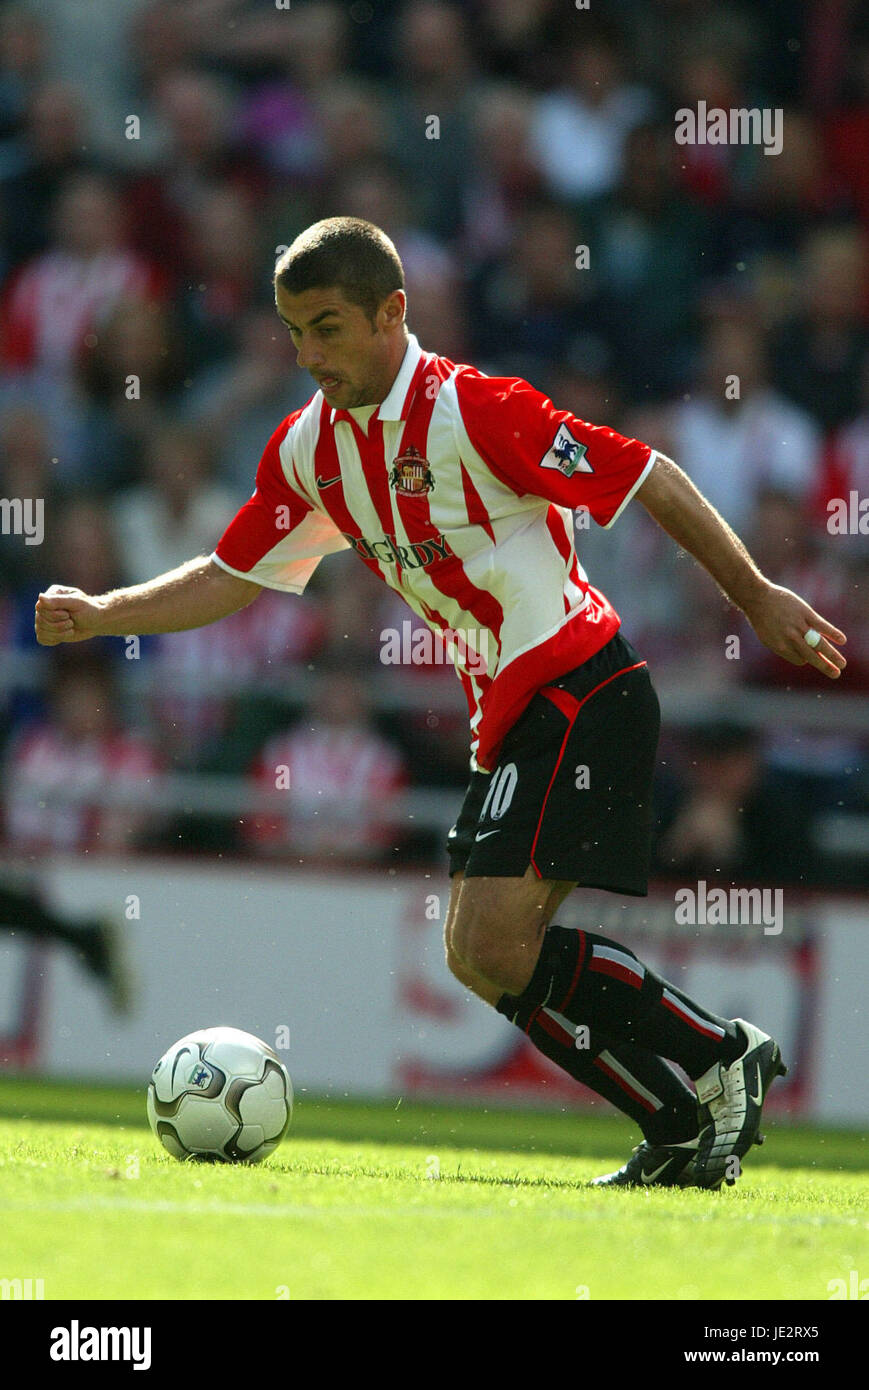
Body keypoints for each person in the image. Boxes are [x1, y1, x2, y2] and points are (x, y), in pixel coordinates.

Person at [35, 218, 847, 1190]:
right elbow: (230, 573)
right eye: (293, 332)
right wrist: (103, 613)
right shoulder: (310, 450)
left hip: (581, 686)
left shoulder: (477, 411)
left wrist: (755, 596)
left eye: (328, 328)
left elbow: (647, 475)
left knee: (490, 944)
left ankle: (711, 1062)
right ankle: (686, 1107)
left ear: (392, 313)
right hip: (509, 717)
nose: (309, 356)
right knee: (480, 956)